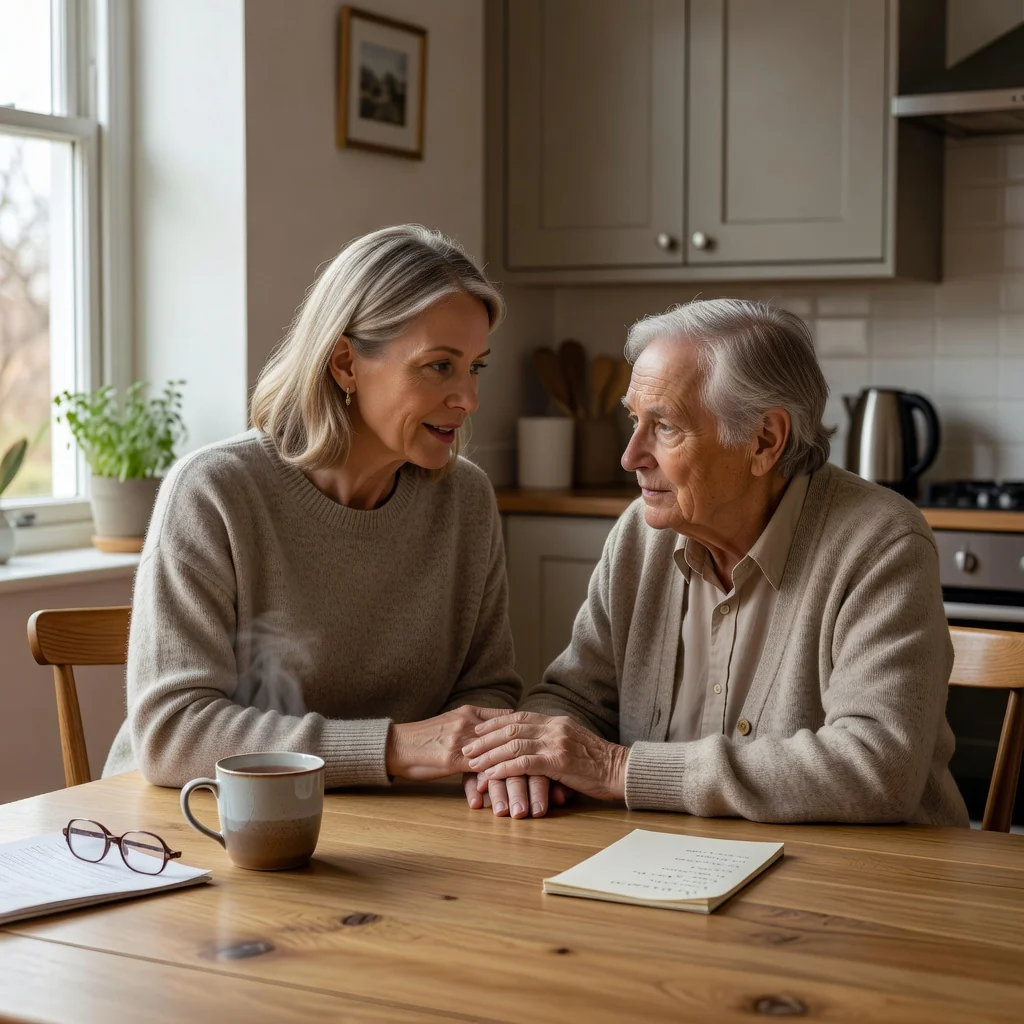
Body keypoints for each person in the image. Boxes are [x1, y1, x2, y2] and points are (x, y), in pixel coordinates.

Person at [463, 298, 970, 826]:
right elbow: (573, 698)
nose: (630, 456)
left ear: (764, 441)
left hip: (864, 882)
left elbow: (876, 769)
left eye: (664, 427)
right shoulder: (642, 534)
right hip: (668, 865)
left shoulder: (880, 542)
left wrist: (618, 768)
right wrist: (530, 754)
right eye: (635, 420)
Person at [103, 224, 548, 818]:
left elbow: (485, 688)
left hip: (391, 825)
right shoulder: (215, 493)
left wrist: (485, 756)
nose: (468, 398)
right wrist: (393, 747)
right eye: (440, 367)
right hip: (195, 826)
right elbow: (172, 733)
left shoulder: (465, 499)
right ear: (345, 363)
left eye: (476, 368)